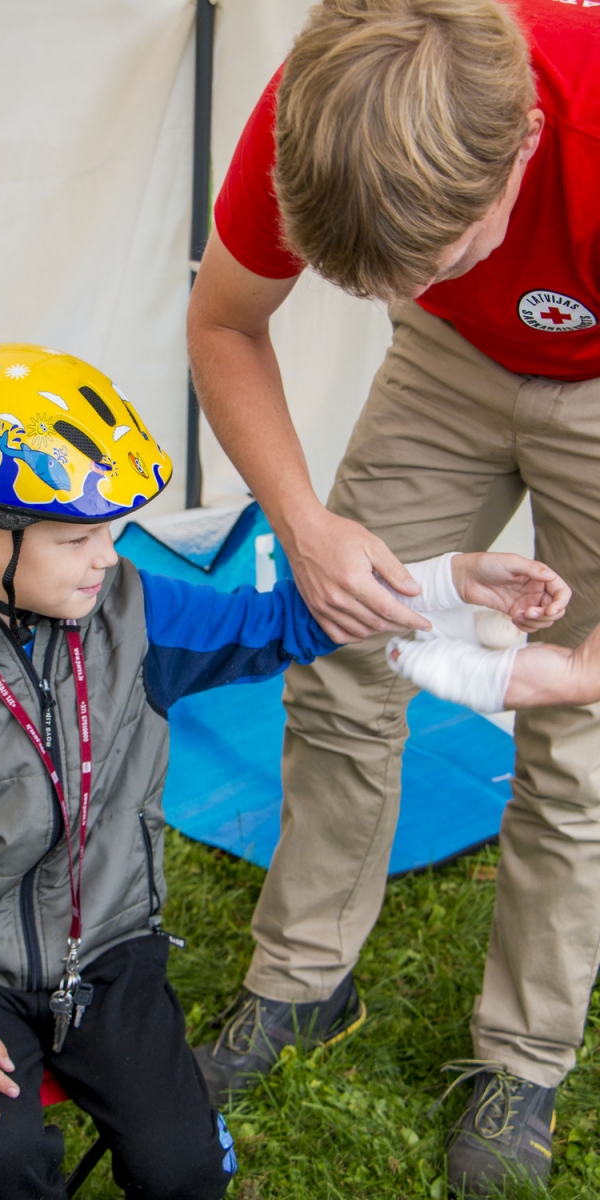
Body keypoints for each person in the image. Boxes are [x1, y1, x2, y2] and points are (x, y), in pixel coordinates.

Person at [0, 345, 574, 1199]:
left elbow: (287, 622)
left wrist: (449, 583)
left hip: (112, 960)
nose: (109, 555)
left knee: (185, 1173)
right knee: (0, 1167)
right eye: (78, 537)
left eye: (111, 530)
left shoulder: (132, 610)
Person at [186, 0, 600, 1192]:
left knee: (574, 740)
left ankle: (521, 1055)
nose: (395, 287)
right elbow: (222, 321)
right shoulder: (319, 116)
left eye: (441, 253)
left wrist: (571, 668)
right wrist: (305, 526)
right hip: (449, 362)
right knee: (341, 649)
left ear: (524, 140)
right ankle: (302, 979)